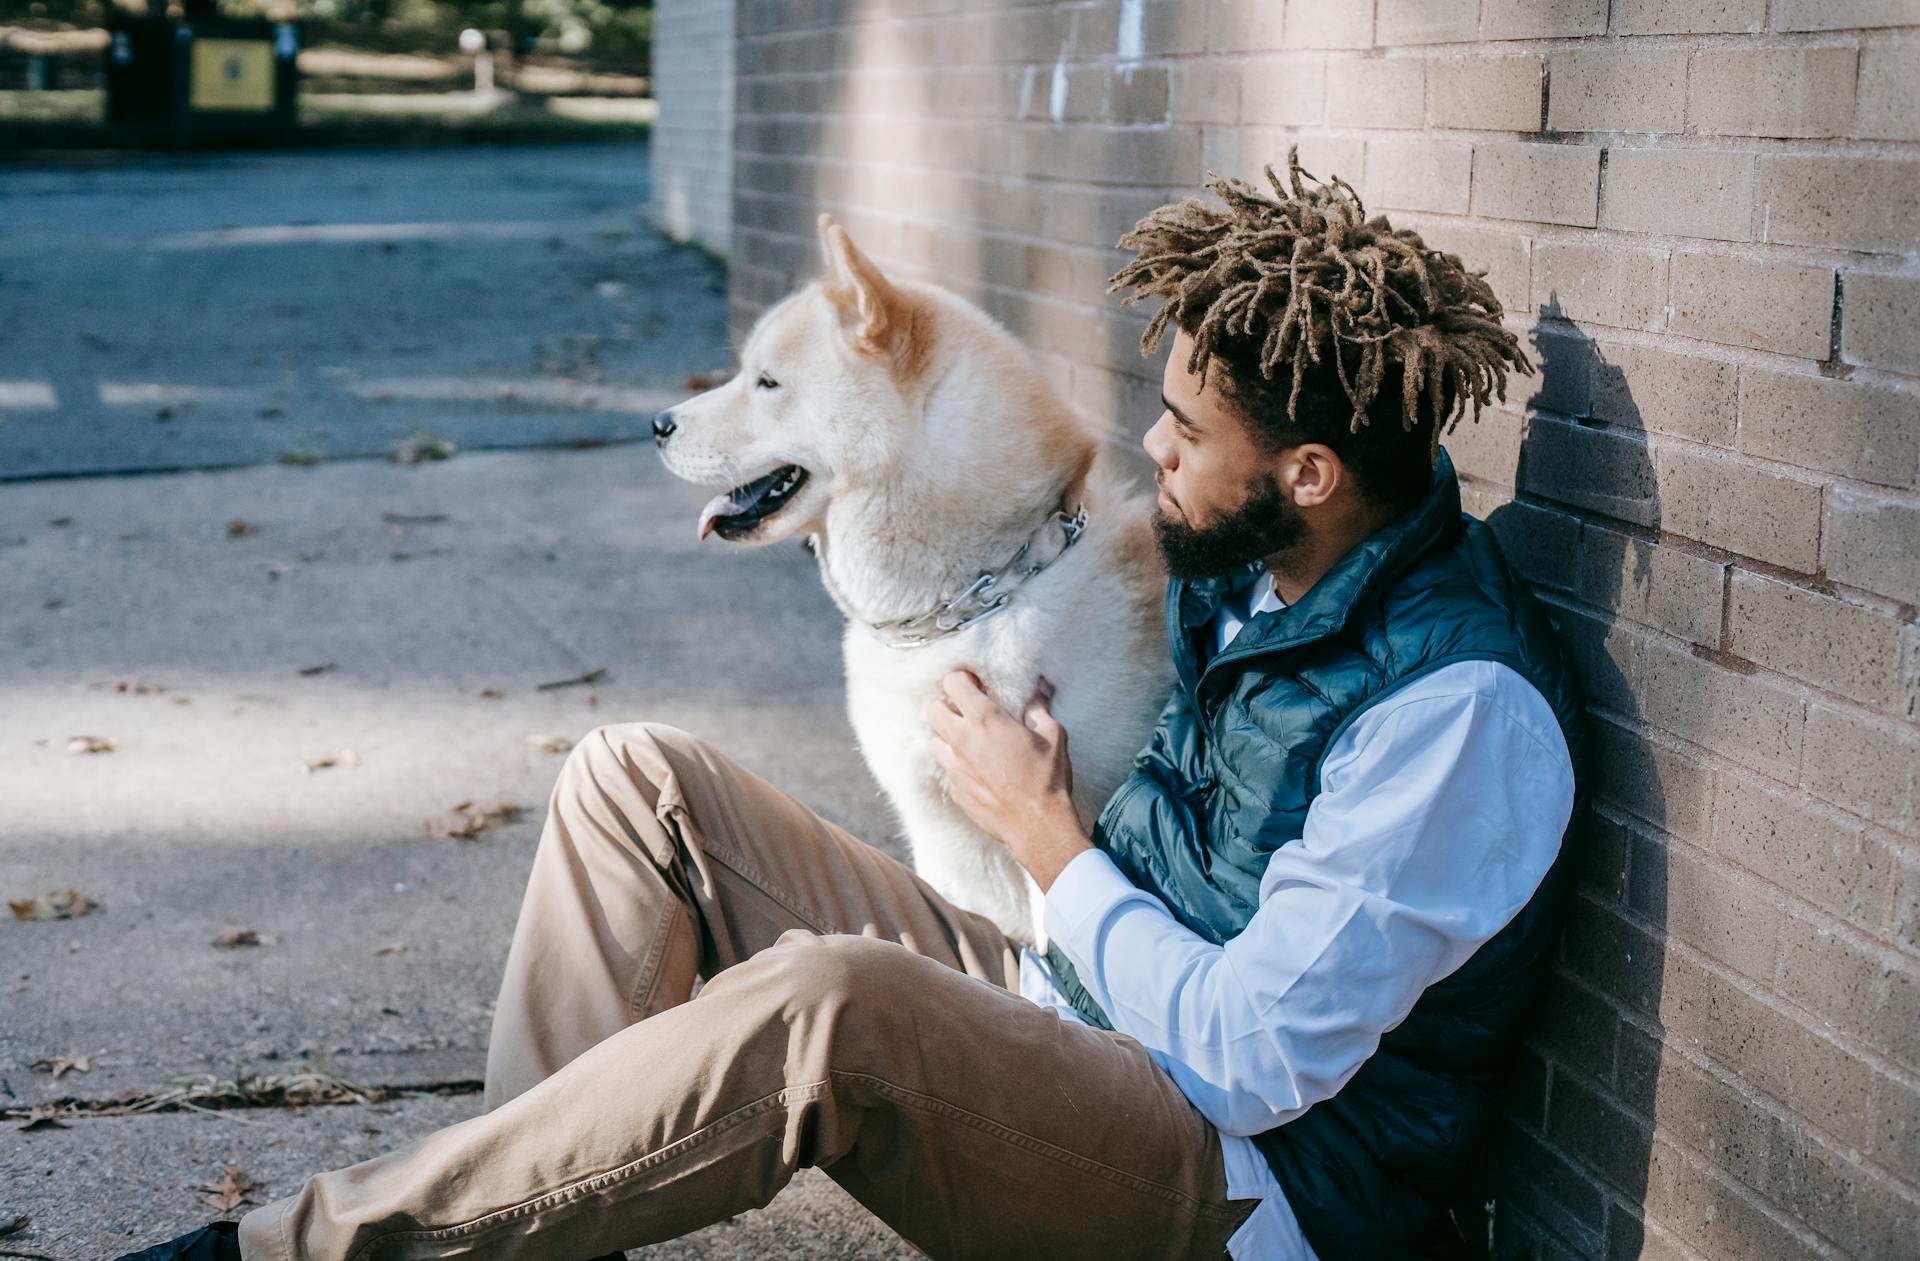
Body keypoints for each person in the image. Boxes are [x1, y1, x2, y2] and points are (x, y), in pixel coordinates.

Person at [121, 152, 1583, 1261]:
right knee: (640, 781)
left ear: (1311, 472)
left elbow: (1256, 1061)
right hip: (1075, 1014)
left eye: (1190, 433)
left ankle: (293, 1251)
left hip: (1238, 1189)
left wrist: (1045, 838)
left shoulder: (1454, 714)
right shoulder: (1267, 565)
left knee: (831, 1008)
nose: (1156, 443)